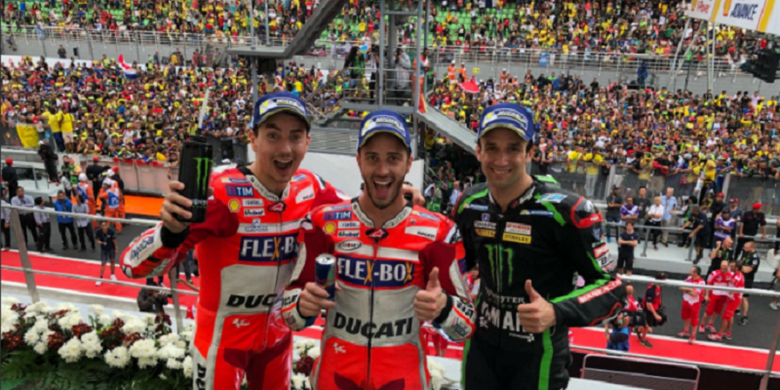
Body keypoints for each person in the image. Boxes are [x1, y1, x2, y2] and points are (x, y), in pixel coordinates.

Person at [120, 92, 422, 390]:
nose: (286, 149)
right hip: (221, 343)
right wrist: (169, 232)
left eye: (295, 137)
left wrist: (400, 192)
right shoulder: (219, 193)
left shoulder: (312, 188)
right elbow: (132, 266)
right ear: (253, 139)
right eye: (273, 136)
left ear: (308, 142)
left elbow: (357, 211)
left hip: (278, 341)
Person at [282, 111, 475, 390]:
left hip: (403, 380)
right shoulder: (321, 223)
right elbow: (291, 315)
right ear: (358, 160)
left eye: (393, 158)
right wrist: (302, 306)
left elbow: (465, 327)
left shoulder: (439, 233)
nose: (383, 170)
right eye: (372, 157)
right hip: (334, 377)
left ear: (409, 163)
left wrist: (444, 307)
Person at [452, 103, 625, 390]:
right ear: (478, 151)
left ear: (530, 153)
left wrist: (556, 311)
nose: (501, 159)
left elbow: (612, 287)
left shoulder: (569, 210)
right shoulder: (469, 203)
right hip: (480, 349)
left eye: (513, 148)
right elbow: (456, 261)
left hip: (539, 356)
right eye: (492, 148)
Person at [710, 261, 744, 341]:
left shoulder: (736, 278)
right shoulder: (738, 275)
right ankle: (728, 332)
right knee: (730, 315)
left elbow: (731, 289)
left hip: (733, 299)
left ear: (736, 268)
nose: (729, 268)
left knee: (725, 316)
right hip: (734, 298)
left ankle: (719, 334)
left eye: (731, 266)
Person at [700, 260, 733, 335]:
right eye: (722, 266)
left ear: (728, 266)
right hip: (714, 295)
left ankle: (710, 323)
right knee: (708, 311)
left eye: (725, 266)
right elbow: (708, 284)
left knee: (717, 311)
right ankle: (702, 324)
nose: (723, 267)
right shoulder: (714, 273)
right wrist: (707, 295)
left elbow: (731, 285)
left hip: (723, 296)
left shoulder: (731, 274)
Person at [639, 272, 668, 348]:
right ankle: (643, 340)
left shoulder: (658, 285)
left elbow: (657, 297)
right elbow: (649, 305)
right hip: (649, 309)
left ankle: (638, 329)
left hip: (655, 307)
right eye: (664, 279)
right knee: (647, 327)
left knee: (650, 325)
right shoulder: (652, 289)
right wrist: (655, 315)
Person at [678, 266, 706, 344]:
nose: (689, 271)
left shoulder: (701, 282)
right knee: (685, 316)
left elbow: (694, 294)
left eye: (691, 270)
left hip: (695, 303)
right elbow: (681, 287)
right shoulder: (688, 278)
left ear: (695, 273)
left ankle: (693, 335)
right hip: (686, 301)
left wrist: (687, 289)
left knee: (694, 319)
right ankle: (686, 330)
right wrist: (690, 289)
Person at [737, 241, 759, 326]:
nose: (744, 249)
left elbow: (747, 270)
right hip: (740, 277)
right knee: (738, 293)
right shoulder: (745, 253)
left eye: (746, 247)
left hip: (748, 279)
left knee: (744, 298)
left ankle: (745, 316)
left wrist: (738, 266)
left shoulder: (755, 258)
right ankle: (737, 309)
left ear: (751, 247)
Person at [95, 220, 118, 286]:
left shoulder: (111, 231)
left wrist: (116, 248)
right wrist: (99, 242)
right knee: (103, 263)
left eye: (105, 225)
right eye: (102, 225)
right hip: (103, 249)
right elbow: (97, 239)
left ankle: (112, 275)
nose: (104, 226)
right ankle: (101, 277)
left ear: (107, 225)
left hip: (111, 248)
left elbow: (114, 240)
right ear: (100, 226)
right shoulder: (98, 232)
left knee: (112, 261)